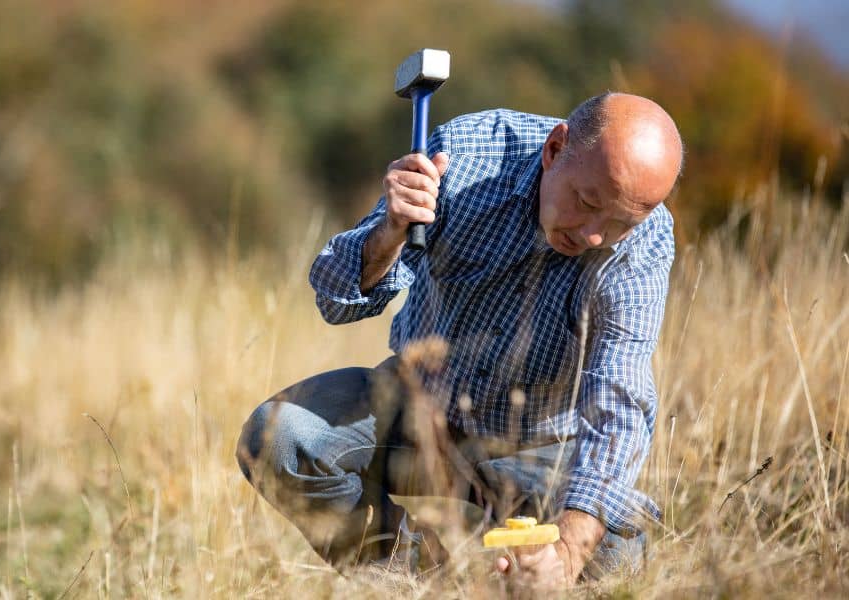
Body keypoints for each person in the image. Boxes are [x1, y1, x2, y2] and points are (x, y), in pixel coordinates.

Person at [236, 92, 683, 589]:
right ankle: (414, 578)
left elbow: (619, 400)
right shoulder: (465, 157)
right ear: (555, 150)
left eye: (622, 223)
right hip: (414, 407)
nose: (597, 236)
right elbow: (336, 302)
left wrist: (567, 553)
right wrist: (389, 232)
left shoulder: (646, 242)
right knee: (278, 440)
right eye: (588, 203)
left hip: (540, 443)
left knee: (617, 554)